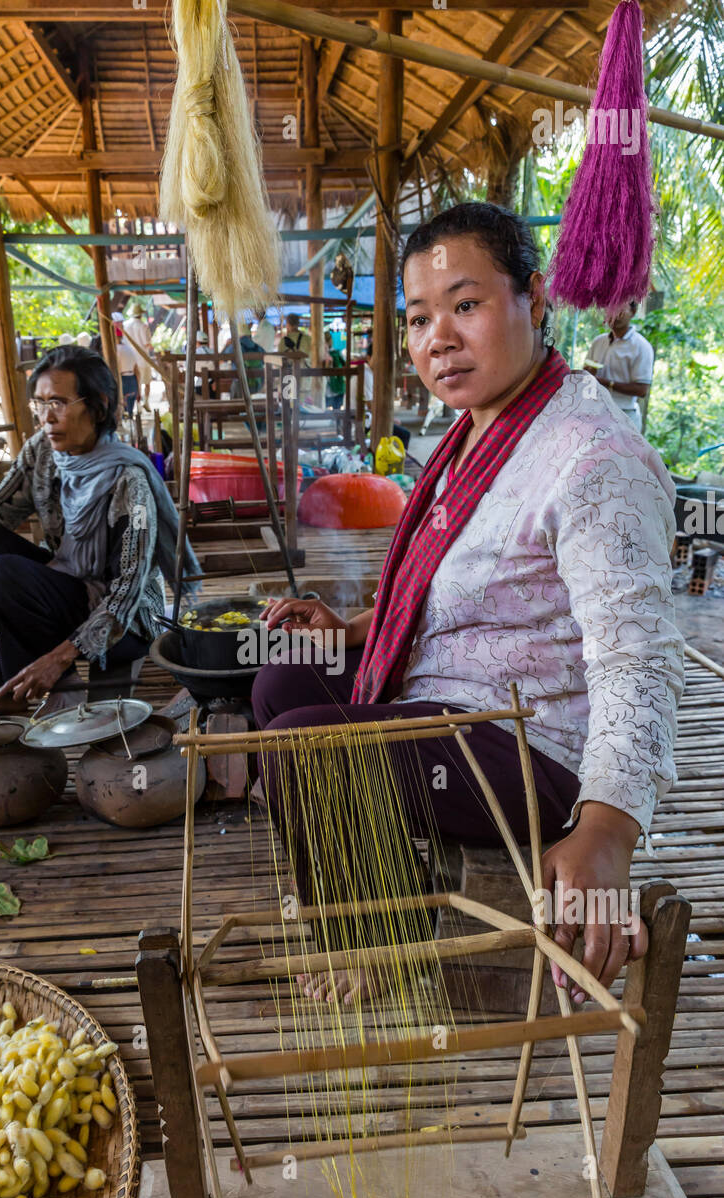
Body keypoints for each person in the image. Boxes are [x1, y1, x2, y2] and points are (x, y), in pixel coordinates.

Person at [253, 201, 683, 1007]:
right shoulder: (477, 432)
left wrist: (608, 829)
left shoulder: (594, 458)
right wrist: (353, 629)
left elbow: (642, 659)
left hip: (534, 744)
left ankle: (381, 938)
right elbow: (467, 589)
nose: (437, 339)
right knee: (282, 682)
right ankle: (382, 892)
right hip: (450, 695)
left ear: (536, 297)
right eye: (419, 318)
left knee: (301, 750)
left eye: (466, 304)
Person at [0, 345, 199, 723]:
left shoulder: (129, 480)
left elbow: (125, 597)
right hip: (70, 585)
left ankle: (54, 685)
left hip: (127, 622)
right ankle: (1, 687)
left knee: (3, 573)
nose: (46, 417)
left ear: (98, 404)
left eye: (59, 403)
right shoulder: (43, 453)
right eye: (40, 403)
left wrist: (55, 661)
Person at [584, 301, 654, 433]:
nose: (614, 314)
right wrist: (588, 374)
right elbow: (585, 371)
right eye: (609, 309)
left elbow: (642, 389)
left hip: (624, 416)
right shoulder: (599, 341)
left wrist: (607, 383)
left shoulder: (641, 346)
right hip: (596, 414)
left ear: (633, 312)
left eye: (620, 309)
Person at [115, 323, 141, 416]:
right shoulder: (130, 349)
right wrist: (139, 390)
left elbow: (117, 369)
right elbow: (137, 370)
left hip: (123, 381)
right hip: (132, 380)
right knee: (129, 412)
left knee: (124, 412)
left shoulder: (116, 350)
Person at [324, 330, 346, 410]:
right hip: (337, 387)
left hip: (332, 388)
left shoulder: (335, 354)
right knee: (337, 411)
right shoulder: (337, 353)